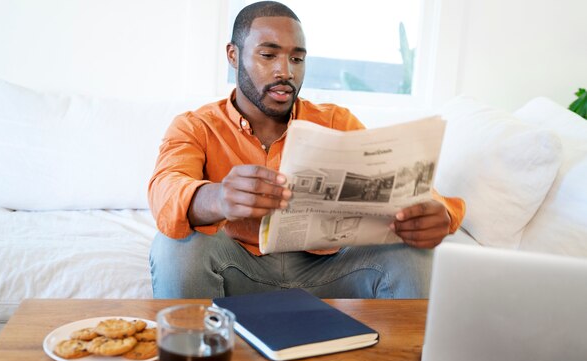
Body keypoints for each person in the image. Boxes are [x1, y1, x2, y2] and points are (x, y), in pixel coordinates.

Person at [148, 1, 465, 299]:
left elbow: (400, 183)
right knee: (174, 246)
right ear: (233, 55)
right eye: (268, 55)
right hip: (237, 267)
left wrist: (439, 214)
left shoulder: (334, 120)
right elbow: (166, 189)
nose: (285, 71)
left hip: (327, 271)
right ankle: (199, 357)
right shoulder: (195, 125)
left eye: (297, 58)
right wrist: (218, 198)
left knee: (410, 249)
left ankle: (401, 359)